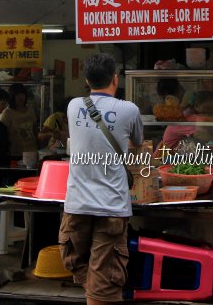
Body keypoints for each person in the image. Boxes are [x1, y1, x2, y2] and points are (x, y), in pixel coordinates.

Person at [59, 53, 143, 305]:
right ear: (115, 79)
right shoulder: (129, 109)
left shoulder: (74, 105)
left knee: (80, 264)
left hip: (77, 205)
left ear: (86, 79)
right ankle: (99, 291)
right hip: (112, 207)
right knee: (103, 279)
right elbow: (137, 142)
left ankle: (96, 290)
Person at [0, 83, 39, 157]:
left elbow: (35, 130)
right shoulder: (7, 113)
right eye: (17, 95)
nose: (21, 97)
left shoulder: (30, 110)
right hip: (15, 153)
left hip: (32, 151)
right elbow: (2, 134)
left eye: (22, 94)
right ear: (12, 97)